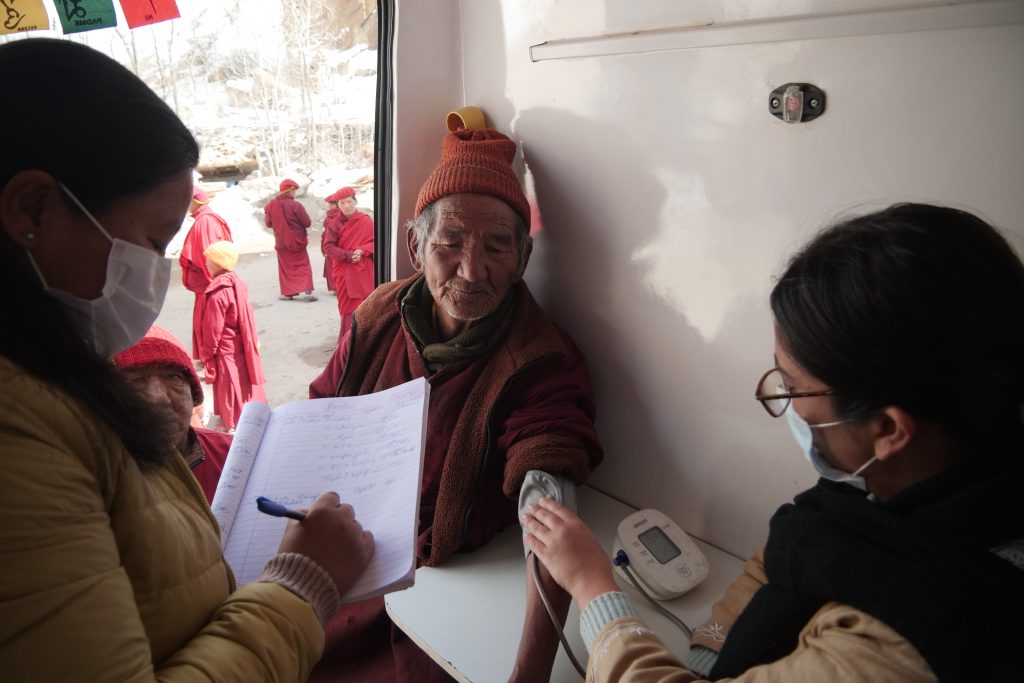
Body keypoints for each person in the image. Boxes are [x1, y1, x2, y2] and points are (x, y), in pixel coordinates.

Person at [0, 38, 374, 681]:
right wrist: (299, 586)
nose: (156, 273)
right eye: (152, 241)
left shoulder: (54, 377)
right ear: (32, 209)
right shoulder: (20, 434)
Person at [524, 203, 1024, 682]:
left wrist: (592, 586)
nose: (785, 402)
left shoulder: (912, 647)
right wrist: (708, 653)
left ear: (889, 430)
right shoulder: (883, 490)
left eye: (793, 387)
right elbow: (778, 560)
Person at [309, 128, 603, 682]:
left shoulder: (541, 359)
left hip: (444, 584)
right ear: (415, 247)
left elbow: (549, 501)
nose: (472, 270)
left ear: (523, 259)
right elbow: (325, 411)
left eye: (496, 247)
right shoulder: (379, 314)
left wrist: (529, 673)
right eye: (450, 242)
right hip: (350, 545)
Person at [113, 329, 230, 502]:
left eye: (173, 377)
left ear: (193, 395)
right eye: (135, 381)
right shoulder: (98, 479)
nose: (158, 397)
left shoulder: (231, 453)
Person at [199, 240, 267, 431]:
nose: (207, 264)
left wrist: (207, 353)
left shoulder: (218, 293)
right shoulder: (238, 283)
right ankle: (247, 417)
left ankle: (233, 423)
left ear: (220, 263)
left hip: (226, 348)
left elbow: (213, 329)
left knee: (229, 386)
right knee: (242, 382)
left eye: (210, 261)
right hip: (240, 343)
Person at [179, 187, 233, 360]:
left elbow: (209, 256)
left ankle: (211, 356)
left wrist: (213, 282)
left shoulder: (205, 222)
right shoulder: (206, 219)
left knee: (211, 322)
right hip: (208, 281)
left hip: (207, 282)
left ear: (195, 201)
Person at [322, 186, 375, 338]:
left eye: (349, 201)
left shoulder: (365, 221)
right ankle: (348, 340)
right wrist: (348, 255)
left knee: (366, 304)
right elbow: (328, 247)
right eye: (342, 203)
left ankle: (367, 339)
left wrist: (362, 250)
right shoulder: (334, 223)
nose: (346, 206)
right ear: (338, 205)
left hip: (363, 270)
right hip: (344, 271)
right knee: (348, 308)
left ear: (355, 202)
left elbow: (375, 242)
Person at [264, 178, 317, 302]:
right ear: (290, 190)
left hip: (282, 243)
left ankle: (288, 294)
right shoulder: (296, 205)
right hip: (298, 242)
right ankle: (307, 293)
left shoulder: (271, 206)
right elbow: (307, 223)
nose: (295, 193)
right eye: (294, 191)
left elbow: (268, 223)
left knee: (286, 268)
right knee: (302, 265)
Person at [320, 192, 340, 293]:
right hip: (338, 247)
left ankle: (335, 287)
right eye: (329, 204)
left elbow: (324, 235)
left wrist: (324, 248)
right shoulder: (341, 216)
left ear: (337, 204)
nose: (330, 206)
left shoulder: (330, 218)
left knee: (333, 267)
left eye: (332, 203)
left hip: (332, 246)